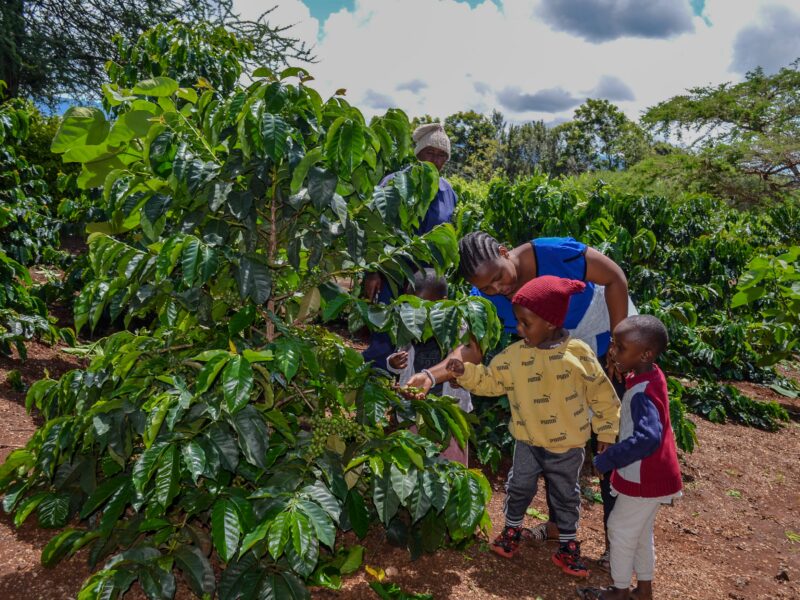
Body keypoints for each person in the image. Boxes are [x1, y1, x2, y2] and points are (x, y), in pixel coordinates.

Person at [404, 231, 635, 564]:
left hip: (607, 325)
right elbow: (471, 349)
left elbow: (614, 278)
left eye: (499, 277)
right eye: (487, 288)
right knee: (558, 422)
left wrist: (619, 343)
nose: (498, 290)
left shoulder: (552, 254)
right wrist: (429, 376)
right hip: (554, 349)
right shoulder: (481, 298)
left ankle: (620, 543)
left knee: (614, 434)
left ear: (503, 251)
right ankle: (557, 526)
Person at [445, 276, 620, 577]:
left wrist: (606, 432)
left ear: (551, 322)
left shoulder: (578, 354)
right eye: (519, 323)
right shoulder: (515, 356)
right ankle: (512, 530)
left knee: (566, 495)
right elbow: (490, 380)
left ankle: (568, 546)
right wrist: (466, 373)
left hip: (567, 447)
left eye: (526, 323)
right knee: (519, 487)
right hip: (527, 441)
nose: (520, 330)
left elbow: (604, 395)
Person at [577, 315, 682, 600]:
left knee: (620, 529)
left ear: (645, 354)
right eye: (612, 343)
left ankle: (620, 590)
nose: (612, 351)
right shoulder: (650, 374)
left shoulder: (640, 393)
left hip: (644, 475)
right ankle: (643, 589)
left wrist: (608, 459)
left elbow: (647, 437)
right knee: (640, 532)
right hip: (657, 472)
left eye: (620, 347)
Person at [361, 123, 458, 370]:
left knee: (418, 337)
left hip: (425, 281)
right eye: (430, 153)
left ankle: (407, 391)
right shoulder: (394, 183)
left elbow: (446, 237)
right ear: (417, 153)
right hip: (392, 274)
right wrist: (372, 271)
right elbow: (375, 229)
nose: (435, 161)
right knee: (384, 334)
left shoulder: (448, 192)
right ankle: (375, 384)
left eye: (442, 156)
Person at [386, 269, 471, 465]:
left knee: (451, 460)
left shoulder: (458, 327)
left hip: (449, 410)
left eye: (426, 305)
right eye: (414, 304)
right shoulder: (409, 325)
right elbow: (401, 359)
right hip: (414, 407)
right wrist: (393, 363)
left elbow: (468, 361)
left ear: (443, 301)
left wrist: (460, 378)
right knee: (414, 456)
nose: (420, 310)